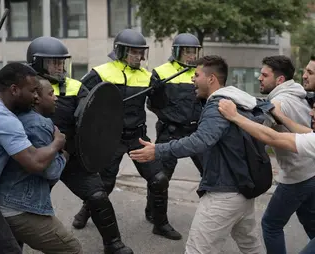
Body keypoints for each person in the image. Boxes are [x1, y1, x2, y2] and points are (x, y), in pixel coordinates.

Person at [130, 55, 265, 254]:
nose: (193, 79)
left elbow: (200, 141)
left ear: (211, 79)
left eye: (197, 75)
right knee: (251, 246)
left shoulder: (217, 105)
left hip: (223, 194)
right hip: (243, 192)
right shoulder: (239, 100)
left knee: (197, 250)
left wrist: (157, 150)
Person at [72, 28, 182, 241]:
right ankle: (85, 212)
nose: (138, 57)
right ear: (121, 51)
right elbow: (82, 100)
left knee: (159, 179)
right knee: (104, 185)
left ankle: (160, 224)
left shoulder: (147, 76)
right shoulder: (101, 72)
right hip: (111, 138)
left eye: (141, 52)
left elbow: (158, 105)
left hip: (137, 137)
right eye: (134, 52)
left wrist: (158, 91)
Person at [26, 36, 133, 254]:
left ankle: (113, 244)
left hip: (72, 155)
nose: (59, 67)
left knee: (98, 195)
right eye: (53, 62)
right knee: (21, 207)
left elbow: (93, 116)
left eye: (61, 62)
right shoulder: (24, 88)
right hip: (36, 158)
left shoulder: (75, 86)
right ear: (37, 63)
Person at [0, 77, 82, 253]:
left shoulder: (13, 116)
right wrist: (63, 152)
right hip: (18, 207)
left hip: (3, 200)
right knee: (71, 249)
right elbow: (50, 171)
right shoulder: (38, 124)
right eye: (50, 94)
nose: (56, 98)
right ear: (37, 99)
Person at [218, 99, 315, 254]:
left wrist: (235, 116)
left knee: (271, 224)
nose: (310, 113)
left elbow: (274, 138)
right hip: (308, 177)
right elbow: (303, 131)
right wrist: (277, 113)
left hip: (298, 178)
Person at [257, 55, 315, 254]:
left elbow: (262, 134)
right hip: (311, 172)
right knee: (310, 223)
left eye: (264, 75)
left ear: (279, 80)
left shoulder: (277, 101)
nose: (259, 78)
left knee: (270, 225)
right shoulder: (299, 93)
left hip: (296, 176)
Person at [144, 33, 203, 223]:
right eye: (187, 51)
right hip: (170, 131)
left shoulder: (200, 73)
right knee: (160, 177)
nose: (191, 56)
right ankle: (154, 212)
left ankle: (213, 214)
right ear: (177, 52)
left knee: (211, 172)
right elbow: (153, 105)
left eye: (194, 52)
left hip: (195, 131)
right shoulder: (161, 72)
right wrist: (158, 92)